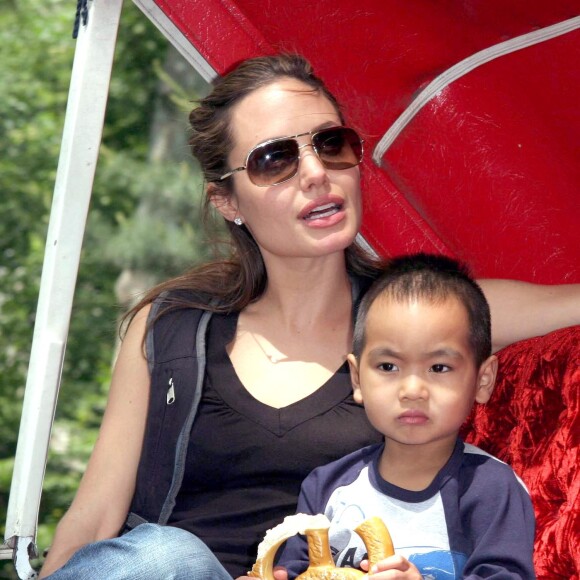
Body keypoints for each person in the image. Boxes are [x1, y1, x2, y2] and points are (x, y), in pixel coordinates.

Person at [38, 53, 578, 580]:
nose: (317, 172)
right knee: (166, 556)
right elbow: (93, 518)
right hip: (168, 571)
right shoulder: (171, 327)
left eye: (330, 143)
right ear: (226, 201)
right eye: (275, 159)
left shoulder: (427, 315)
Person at [276, 253, 535, 579]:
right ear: (357, 378)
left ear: (482, 380)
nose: (412, 390)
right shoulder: (326, 488)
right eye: (388, 367)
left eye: (439, 368)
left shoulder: (491, 489)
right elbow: (296, 570)